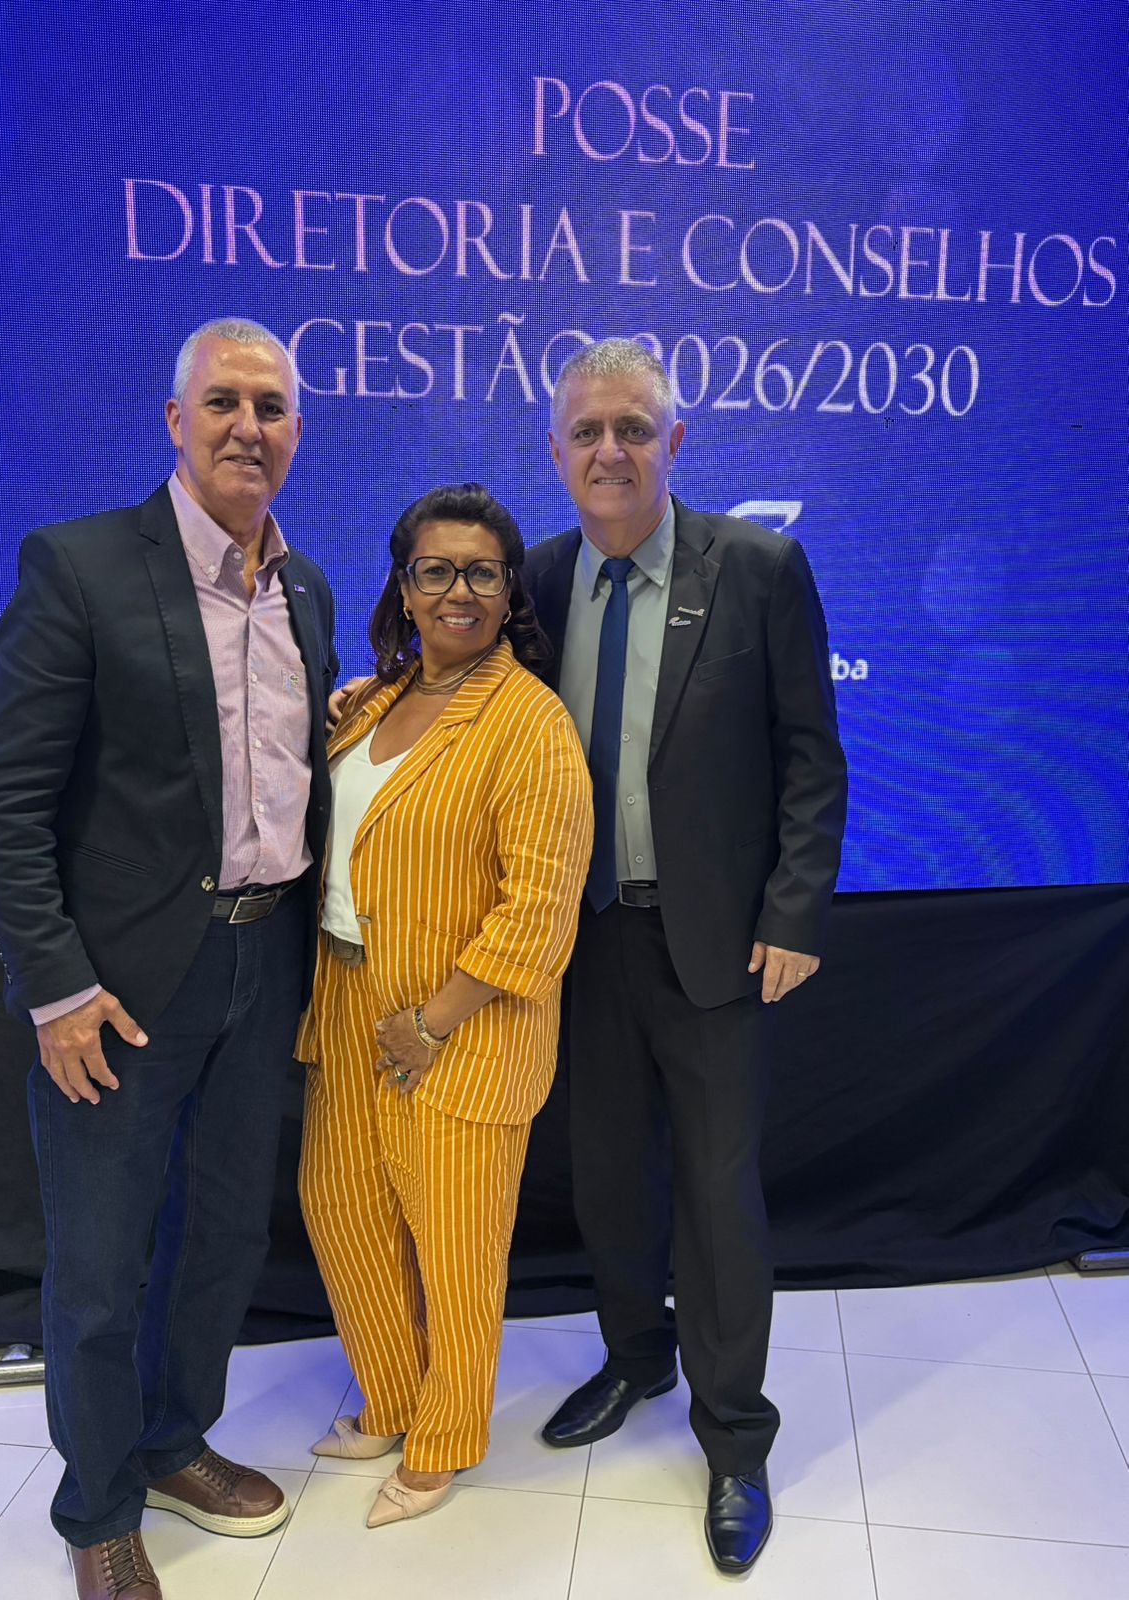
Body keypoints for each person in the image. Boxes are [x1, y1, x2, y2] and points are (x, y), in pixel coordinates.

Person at [0, 318, 336, 1600]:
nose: (248, 426)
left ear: (298, 431)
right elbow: (4, 800)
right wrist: (56, 987)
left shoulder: (306, 588)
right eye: (223, 401)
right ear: (175, 421)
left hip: (264, 964)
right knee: (101, 1265)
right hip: (117, 990)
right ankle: (97, 1507)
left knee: (222, 1234)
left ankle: (175, 1440)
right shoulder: (79, 567)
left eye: (271, 406)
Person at [526, 338, 848, 1575]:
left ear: (675, 441)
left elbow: (810, 757)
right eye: (587, 431)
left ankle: (735, 1439)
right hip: (583, 939)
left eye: (633, 428)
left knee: (717, 1197)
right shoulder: (539, 580)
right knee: (607, 1176)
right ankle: (634, 1357)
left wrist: (793, 912)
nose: (609, 450)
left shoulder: (757, 568)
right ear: (556, 451)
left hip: (713, 940)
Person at [297, 483, 592, 1528]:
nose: (457, 591)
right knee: (342, 1210)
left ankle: (445, 1438)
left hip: (461, 1023)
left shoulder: (531, 723)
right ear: (404, 585)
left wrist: (432, 1021)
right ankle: (389, 1398)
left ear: (509, 591)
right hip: (346, 999)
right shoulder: (373, 702)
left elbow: (540, 910)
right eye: (435, 570)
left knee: (457, 1248)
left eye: (481, 572)